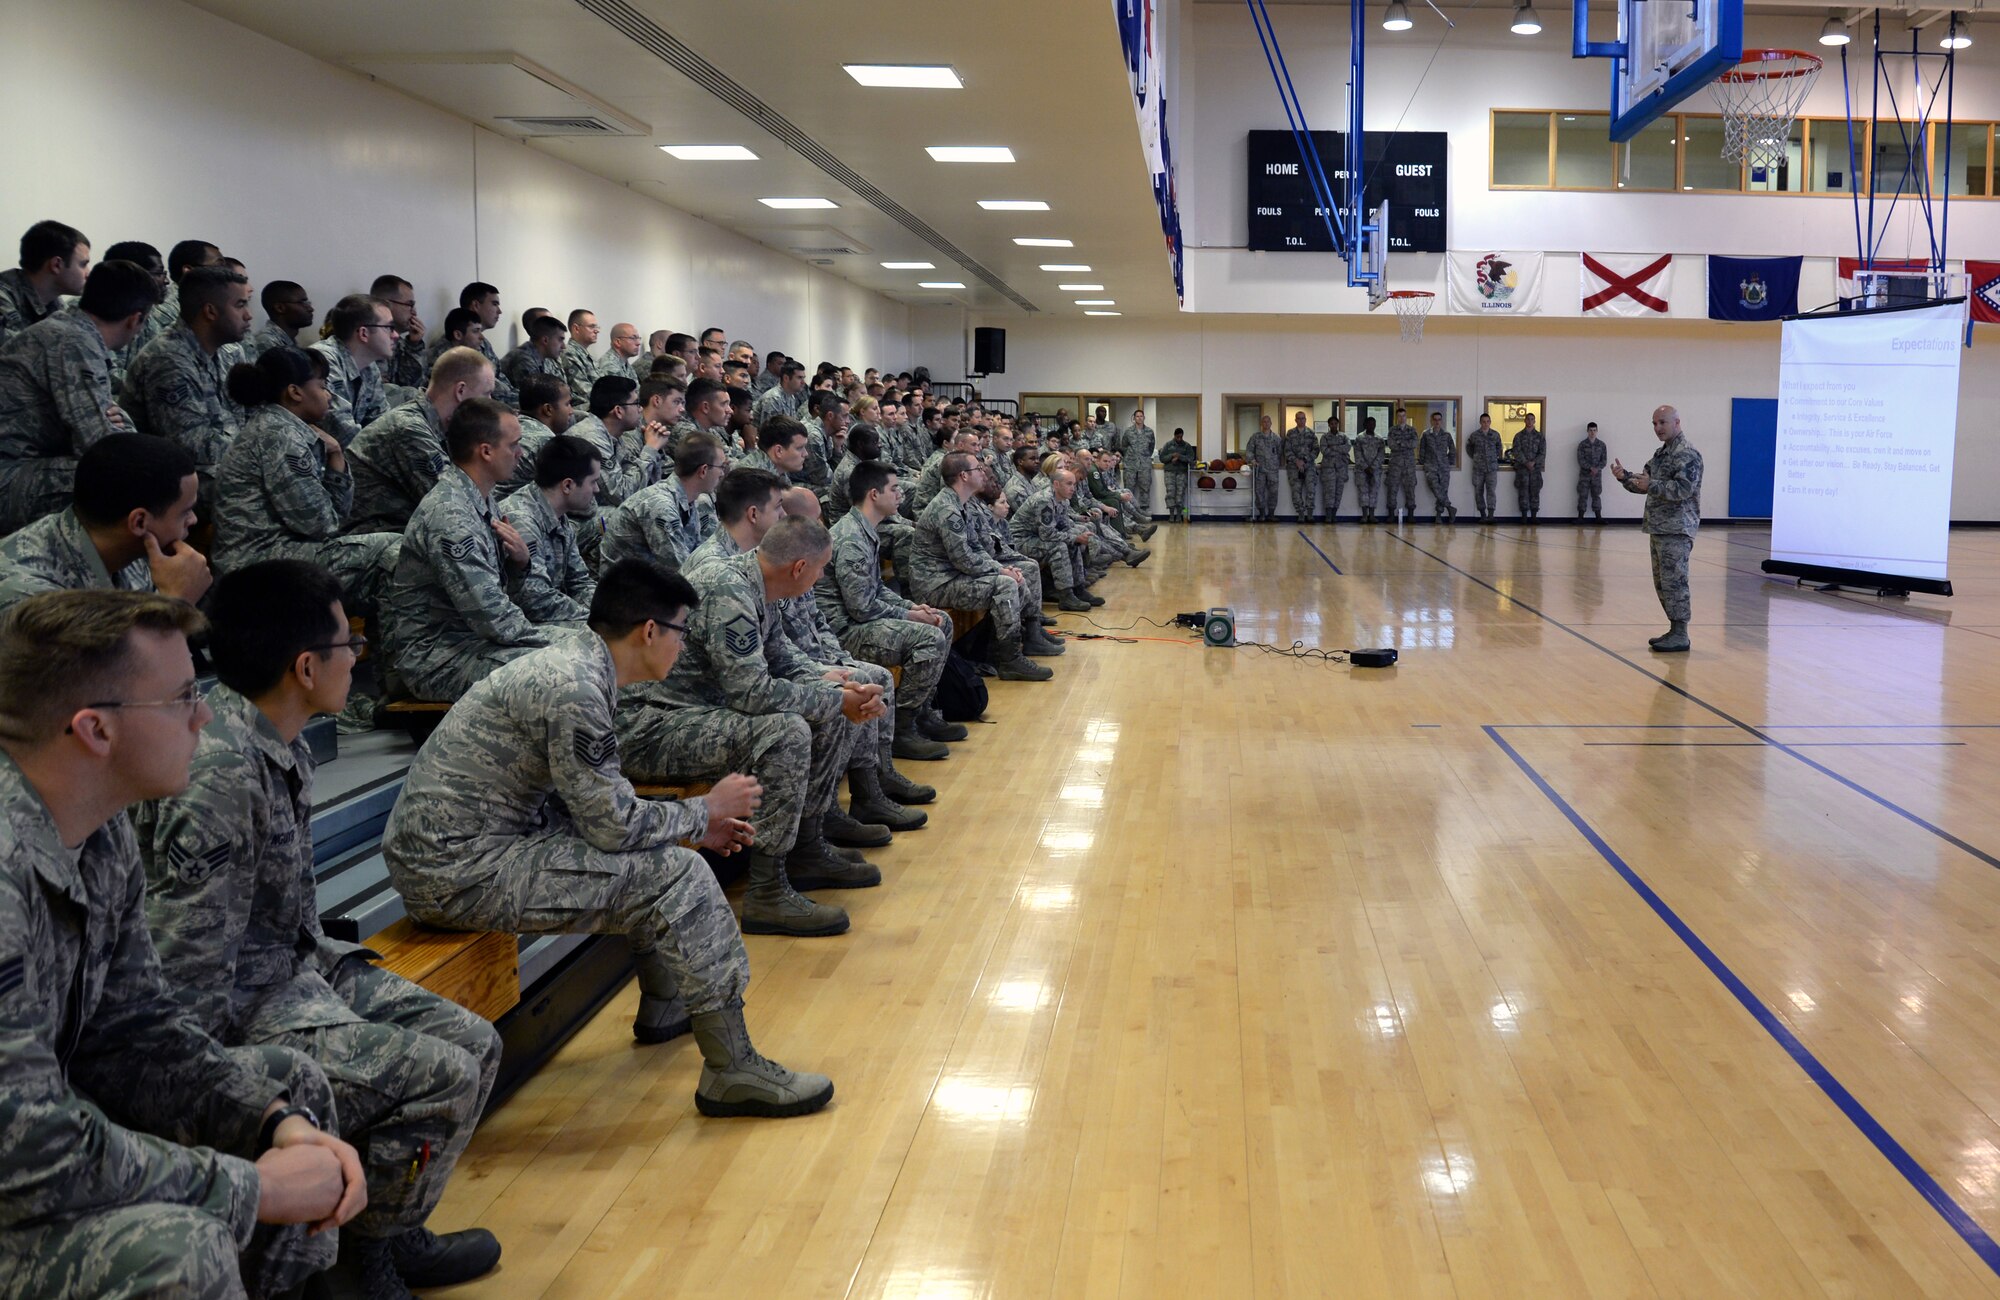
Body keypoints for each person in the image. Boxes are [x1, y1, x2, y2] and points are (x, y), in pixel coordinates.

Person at [136, 563, 502, 1296]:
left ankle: (391, 1233)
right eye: (349, 643)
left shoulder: (280, 735)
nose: (358, 656)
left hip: (301, 966)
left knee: (476, 1043)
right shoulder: (221, 774)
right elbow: (189, 973)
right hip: (247, 1003)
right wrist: (226, 1096)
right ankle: (364, 1265)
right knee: (443, 1075)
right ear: (306, 667)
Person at [0, 589, 367, 1299]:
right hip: (18, 1172)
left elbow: (138, 1033)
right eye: (179, 700)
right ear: (94, 730)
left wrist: (272, 1121)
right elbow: (29, 1151)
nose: (205, 716)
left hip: (33, 1149)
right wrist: (251, 1186)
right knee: (178, 1251)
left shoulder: (97, 827)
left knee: (286, 1092)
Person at [384, 559, 833, 1116]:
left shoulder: (583, 667)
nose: (681, 645)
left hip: (478, 846)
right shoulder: (575, 687)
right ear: (650, 631)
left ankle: (667, 1006)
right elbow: (614, 825)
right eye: (681, 632)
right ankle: (732, 1068)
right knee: (678, 874)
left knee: (658, 854)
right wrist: (703, 814)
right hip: (459, 870)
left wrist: (694, 821)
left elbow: (603, 811)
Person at [624, 509, 886, 934]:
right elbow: (752, 693)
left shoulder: (759, 585)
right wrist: (834, 701)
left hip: (701, 711)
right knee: (788, 730)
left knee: (825, 706)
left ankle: (806, 846)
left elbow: (779, 658)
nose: (819, 580)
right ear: (799, 568)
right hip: (654, 724)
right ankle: (766, 891)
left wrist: (834, 687)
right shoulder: (730, 591)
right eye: (820, 572)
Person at [380, 397, 550, 701]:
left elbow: (501, 601)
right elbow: (492, 617)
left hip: (474, 644)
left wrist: (521, 563)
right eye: (513, 445)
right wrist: (559, 644)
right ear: (485, 451)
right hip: (439, 660)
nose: (520, 453)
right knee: (566, 667)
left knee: (586, 649)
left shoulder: (482, 498)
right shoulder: (451, 515)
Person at [212, 347, 399, 617]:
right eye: (322, 386)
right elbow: (320, 523)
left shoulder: (285, 429)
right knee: (395, 549)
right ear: (295, 392)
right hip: (255, 565)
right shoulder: (279, 435)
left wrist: (335, 454)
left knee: (388, 554)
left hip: (280, 553)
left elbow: (334, 516)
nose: (329, 395)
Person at [0, 259, 156, 533]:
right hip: (10, 478)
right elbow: (101, 447)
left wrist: (120, 427)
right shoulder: (73, 341)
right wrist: (123, 428)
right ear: (136, 319)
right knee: (132, 479)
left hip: (28, 466)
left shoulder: (70, 329)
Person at [816, 459, 958, 752]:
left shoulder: (866, 529)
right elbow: (860, 607)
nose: (900, 495)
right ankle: (904, 728)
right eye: (894, 489)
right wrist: (908, 614)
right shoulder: (852, 537)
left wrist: (912, 607)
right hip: (844, 631)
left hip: (862, 621)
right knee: (929, 637)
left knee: (940, 619)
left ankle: (922, 711)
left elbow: (878, 588)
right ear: (873, 494)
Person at [0, 434, 209, 614]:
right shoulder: (29, 597)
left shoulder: (128, 548)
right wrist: (177, 603)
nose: (193, 520)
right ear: (139, 521)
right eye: (185, 512)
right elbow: (120, 660)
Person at [119, 264, 252, 508]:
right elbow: (190, 446)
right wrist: (257, 453)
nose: (249, 315)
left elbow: (244, 417)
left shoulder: (223, 352)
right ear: (210, 312)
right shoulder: (168, 359)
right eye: (240, 305)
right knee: (265, 487)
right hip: (172, 480)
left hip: (220, 463)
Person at [911, 452, 1050, 681]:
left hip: (953, 576)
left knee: (1015, 580)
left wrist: (1001, 567)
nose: (983, 473)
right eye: (978, 469)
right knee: (1005, 585)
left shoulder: (962, 503)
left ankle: (998, 651)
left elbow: (977, 548)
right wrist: (1000, 571)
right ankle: (1010, 659)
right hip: (936, 583)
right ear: (964, 476)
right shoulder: (948, 509)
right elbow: (963, 558)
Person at [343, 346, 495, 535]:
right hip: (375, 537)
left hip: (405, 529)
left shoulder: (444, 427)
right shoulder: (408, 428)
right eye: (486, 393)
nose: (491, 402)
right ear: (461, 390)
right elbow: (452, 503)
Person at [1615, 406, 1703, 653]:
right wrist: (1625, 477)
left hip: (1677, 528)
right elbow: (1645, 484)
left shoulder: (1687, 455)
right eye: (1654, 423)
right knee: (1663, 582)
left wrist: (1651, 484)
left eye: (1662, 422)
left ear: (1677, 422)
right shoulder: (1661, 454)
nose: (1657, 428)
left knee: (1675, 581)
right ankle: (1674, 629)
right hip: (1659, 527)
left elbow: (1683, 490)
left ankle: (1680, 633)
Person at [496, 433, 599, 626]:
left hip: (546, 612)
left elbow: (579, 582)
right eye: (593, 482)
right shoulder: (522, 519)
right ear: (567, 485)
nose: (597, 490)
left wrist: (611, 610)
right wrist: (598, 620)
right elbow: (534, 601)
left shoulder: (557, 514)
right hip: (521, 623)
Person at [602, 430, 726, 570]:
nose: (722, 473)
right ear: (703, 470)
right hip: (627, 589)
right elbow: (682, 570)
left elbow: (696, 556)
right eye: (721, 467)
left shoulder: (688, 500)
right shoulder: (660, 505)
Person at [309, 294, 399, 446]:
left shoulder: (369, 366)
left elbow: (382, 422)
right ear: (363, 333)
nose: (395, 335)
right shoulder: (324, 360)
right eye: (389, 328)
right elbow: (342, 433)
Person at [0, 220, 89, 346]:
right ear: (56, 265)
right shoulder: (3, 297)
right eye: (83, 264)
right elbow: (17, 357)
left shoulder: (55, 305)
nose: (88, 273)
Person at [447, 282, 517, 406]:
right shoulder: (451, 350)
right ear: (476, 305)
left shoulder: (484, 343)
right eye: (494, 304)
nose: (499, 311)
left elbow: (500, 379)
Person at [505, 373, 573, 492]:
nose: (571, 411)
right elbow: (572, 495)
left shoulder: (514, 425)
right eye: (567, 404)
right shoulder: (545, 442)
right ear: (548, 409)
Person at [370, 275, 429, 391]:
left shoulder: (400, 343)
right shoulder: (369, 341)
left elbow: (413, 387)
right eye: (409, 305)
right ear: (386, 304)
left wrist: (414, 346)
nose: (414, 312)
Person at [242, 280, 313, 361]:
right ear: (280, 308)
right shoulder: (266, 343)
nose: (310, 309)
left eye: (308, 303)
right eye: (302, 303)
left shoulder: (288, 341)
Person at [499, 312, 563, 396]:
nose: (564, 346)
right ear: (545, 340)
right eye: (560, 340)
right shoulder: (524, 359)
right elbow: (536, 399)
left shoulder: (544, 358)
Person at [1419, 411, 1458, 524]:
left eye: (1439, 419)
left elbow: (1452, 450)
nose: (1437, 422)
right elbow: (1422, 449)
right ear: (1431, 421)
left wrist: (1450, 462)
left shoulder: (1446, 435)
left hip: (1443, 467)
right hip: (1431, 466)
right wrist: (1423, 461)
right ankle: (1450, 508)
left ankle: (1439, 515)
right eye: (1435, 419)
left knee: (1443, 491)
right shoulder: (1426, 434)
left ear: (1441, 421)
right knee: (1436, 489)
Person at [1119, 401, 1156, 515]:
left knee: (1145, 487)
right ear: (1134, 418)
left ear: (1144, 418)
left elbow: (1151, 447)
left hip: (1144, 464)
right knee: (1129, 488)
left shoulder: (1149, 432)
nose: (1139, 418)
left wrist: (1144, 457)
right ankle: (1129, 512)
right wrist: (1130, 456)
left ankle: (1144, 511)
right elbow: (1124, 446)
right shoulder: (1128, 431)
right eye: (1137, 416)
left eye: (1141, 416)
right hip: (1130, 464)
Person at [1465, 413, 1503, 523]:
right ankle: (1483, 515)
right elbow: (1469, 448)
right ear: (1480, 422)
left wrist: (1492, 458)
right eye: (1483, 421)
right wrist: (1476, 457)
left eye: (1487, 421)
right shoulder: (1474, 435)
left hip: (1491, 468)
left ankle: (1491, 515)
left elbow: (1499, 448)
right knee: (1478, 491)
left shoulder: (1495, 435)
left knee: (1491, 491)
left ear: (1490, 422)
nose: (1485, 424)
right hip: (1478, 468)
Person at [1384, 408, 1420, 522]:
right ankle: (1391, 514)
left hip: (1409, 465)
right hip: (1395, 464)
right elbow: (1391, 445)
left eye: (1403, 416)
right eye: (1399, 416)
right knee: (1392, 489)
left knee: (1410, 490)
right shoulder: (1392, 430)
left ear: (1406, 417)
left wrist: (1400, 442)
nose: (1401, 418)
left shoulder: (1412, 430)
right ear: (1396, 418)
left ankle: (1410, 514)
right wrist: (1406, 444)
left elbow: (1414, 444)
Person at [1510, 412, 1547, 521]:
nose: (1530, 421)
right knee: (1523, 492)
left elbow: (1543, 453)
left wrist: (1534, 462)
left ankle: (1534, 516)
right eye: (1528, 419)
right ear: (1525, 421)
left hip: (1535, 470)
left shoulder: (1540, 436)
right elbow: (1516, 451)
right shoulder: (1518, 436)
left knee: (1535, 492)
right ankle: (1524, 516)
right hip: (1522, 469)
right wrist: (1526, 462)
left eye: (1532, 419)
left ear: (1534, 421)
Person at [559, 309, 599, 406]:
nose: (597, 331)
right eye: (591, 326)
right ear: (576, 328)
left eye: (596, 327)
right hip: (584, 410)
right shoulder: (569, 354)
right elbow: (585, 393)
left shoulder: (586, 355)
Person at [1282, 411, 1317, 522]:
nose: (1301, 420)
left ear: (1305, 419)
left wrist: (1305, 460)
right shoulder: (1290, 433)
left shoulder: (1311, 433)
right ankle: (1301, 514)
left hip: (1309, 466)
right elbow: (1287, 450)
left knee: (1311, 490)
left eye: (1303, 418)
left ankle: (1310, 514)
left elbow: (1316, 450)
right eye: (1299, 418)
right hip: (1294, 467)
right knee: (1296, 491)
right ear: (1295, 420)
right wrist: (1296, 461)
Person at [1158, 427, 1199, 523]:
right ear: (1174, 436)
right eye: (1177, 437)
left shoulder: (1186, 446)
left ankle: (1179, 516)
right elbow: (1162, 458)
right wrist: (1172, 456)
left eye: (1181, 437)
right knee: (1170, 493)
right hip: (1170, 472)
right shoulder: (1168, 445)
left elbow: (1190, 458)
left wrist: (1179, 457)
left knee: (1180, 493)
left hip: (1182, 472)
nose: (1179, 439)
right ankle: (1171, 515)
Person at [1245, 415, 1281, 522]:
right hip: (1259, 470)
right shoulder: (1255, 437)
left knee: (1273, 492)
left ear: (1271, 423)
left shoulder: (1276, 438)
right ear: (1261, 424)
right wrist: (1252, 460)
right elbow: (1249, 451)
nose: (1266, 424)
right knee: (1259, 492)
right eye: (1264, 422)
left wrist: (1274, 462)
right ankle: (1261, 514)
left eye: (1268, 422)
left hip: (1273, 470)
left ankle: (1271, 514)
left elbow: (1280, 453)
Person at [1315, 418, 1351, 523]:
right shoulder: (1325, 437)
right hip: (1328, 470)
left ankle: (1334, 514)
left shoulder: (1344, 436)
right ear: (1329, 425)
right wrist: (1339, 449)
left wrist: (1333, 447)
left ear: (1338, 424)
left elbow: (1347, 448)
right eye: (1331, 424)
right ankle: (1328, 516)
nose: (1334, 425)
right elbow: (1324, 450)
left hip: (1341, 470)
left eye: (1335, 423)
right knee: (1328, 493)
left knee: (1338, 493)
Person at [1352, 417, 1385, 523]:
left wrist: (1373, 467)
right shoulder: (1359, 438)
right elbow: (1357, 454)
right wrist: (1365, 467)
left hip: (1375, 471)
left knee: (1374, 492)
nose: (1372, 425)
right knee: (1363, 492)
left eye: (1373, 424)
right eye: (1369, 424)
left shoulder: (1380, 439)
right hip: (1362, 470)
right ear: (1365, 425)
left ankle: (1372, 515)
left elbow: (1381, 455)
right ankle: (1364, 516)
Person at [1577, 421, 1608, 521]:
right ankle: (1580, 518)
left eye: (1594, 430)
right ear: (1587, 431)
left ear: (1597, 431)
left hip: (1597, 476)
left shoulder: (1602, 445)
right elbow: (1580, 460)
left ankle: (1598, 518)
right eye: (1590, 430)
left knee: (1596, 495)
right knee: (1582, 495)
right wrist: (1590, 468)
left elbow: (1604, 460)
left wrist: (1597, 469)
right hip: (1585, 475)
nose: (1592, 432)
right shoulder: (1582, 445)